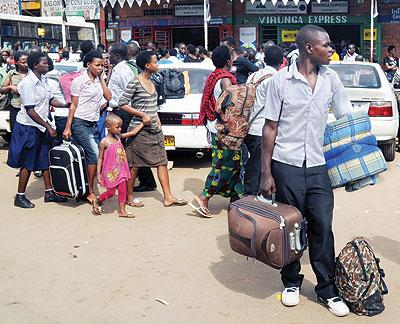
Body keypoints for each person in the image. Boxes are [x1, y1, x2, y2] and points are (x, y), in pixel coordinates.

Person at [259, 25, 352, 317]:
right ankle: (291, 282)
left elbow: (344, 118)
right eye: (326, 45)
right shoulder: (281, 82)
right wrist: (266, 173)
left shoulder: (331, 79)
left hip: (318, 165)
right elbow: (269, 127)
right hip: (286, 166)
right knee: (290, 227)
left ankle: (327, 289)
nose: (331, 49)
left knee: (323, 226)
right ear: (309, 48)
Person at [118, 50, 187, 208]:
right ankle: (129, 197)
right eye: (155, 62)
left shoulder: (154, 81)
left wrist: (159, 125)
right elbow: (122, 103)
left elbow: (154, 108)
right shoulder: (135, 81)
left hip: (154, 129)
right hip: (138, 130)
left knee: (162, 162)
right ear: (147, 65)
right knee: (134, 165)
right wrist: (141, 114)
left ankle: (168, 197)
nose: (158, 65)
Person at [7, 52, 69, 208]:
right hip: (29, 127)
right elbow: (30, 110)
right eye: (44, 63)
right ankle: (20, 196)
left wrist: (66, 104)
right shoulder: (28, 83)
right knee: (28, 162)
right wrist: (49, 127)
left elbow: (49, 100)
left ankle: (49, 192)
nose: (47, 65)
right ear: (35, 65)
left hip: (41, 125)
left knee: (44, 158)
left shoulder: (43, 79)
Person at [189, 45, 243, 218]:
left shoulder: (214, 76)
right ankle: (204, 197)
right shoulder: (226, 79)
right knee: (223, 166)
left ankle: (235, 200)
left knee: (234, 164)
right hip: (225, 130)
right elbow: (231, 107)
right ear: (228, 61)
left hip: (215, 127)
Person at [63, 50, 112, 215]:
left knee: (88, 157)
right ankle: (90, 191)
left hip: (93, 123)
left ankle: (85, 187)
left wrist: (102, 79)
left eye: (102, 66)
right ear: (88, 64)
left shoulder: (99, 80)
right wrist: (68, 127)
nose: (100, 68)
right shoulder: (79, 81)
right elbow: (73, 105)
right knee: (93, 154)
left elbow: (108, 96)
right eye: (97, 65)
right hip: (79, 123)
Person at [111, 43, 158, 194]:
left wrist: (138, 114)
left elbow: (130, 93)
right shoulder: (119, 68)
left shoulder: (123, 70)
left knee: (131, 149)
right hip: (121, 111)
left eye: (110, 54)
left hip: (125, 112)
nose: (108, 57)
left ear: (117, 56)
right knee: (129, 149)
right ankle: (144, 181)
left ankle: (144, 182)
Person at [243, 45, 283, 195]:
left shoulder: (253, 75)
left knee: (253, 163)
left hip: (249, 126)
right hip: (263, 129)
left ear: (264, 60)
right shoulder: (276, 79)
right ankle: (251, 199)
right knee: (259, 166)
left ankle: (250, 195)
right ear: (281, 62)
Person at [97, 114, 144, 218]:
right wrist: (99, 174)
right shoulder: (104, 143)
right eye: (117, 127)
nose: (120, 129)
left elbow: (132, 132)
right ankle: (98, 200)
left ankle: (122, 211)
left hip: (121, 170)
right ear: (108, 127)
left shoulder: (119, 137)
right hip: (111, 172)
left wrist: (143, 123)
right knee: (111, 192)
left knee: (123, 191)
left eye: (120, 126)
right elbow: (100, 158)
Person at [0, 51, 29, 133]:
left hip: (29, 109)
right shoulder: (12, 74)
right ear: (16, 62)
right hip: (15, 108)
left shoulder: (32, 74)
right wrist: (10, 87)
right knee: (15, 133)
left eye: (27, 62)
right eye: (23, 62)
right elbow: (2, 90)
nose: (25, 64)